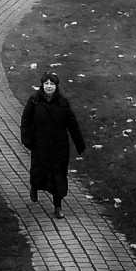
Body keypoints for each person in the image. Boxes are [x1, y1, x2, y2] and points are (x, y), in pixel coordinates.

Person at [20, 70, 86, 219]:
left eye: (52, 84)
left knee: (58, 174)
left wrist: (79, 142)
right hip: (40, 143)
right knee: (39, 171)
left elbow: (72, 123)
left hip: (59, 145)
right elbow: (26, 120)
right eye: (46, 84)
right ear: (42, 85)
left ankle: (58, 205)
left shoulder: (62, 103)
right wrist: (27, 139)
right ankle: (35, 187)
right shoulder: (34, 101)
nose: (49, 86)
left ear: (56, 86)